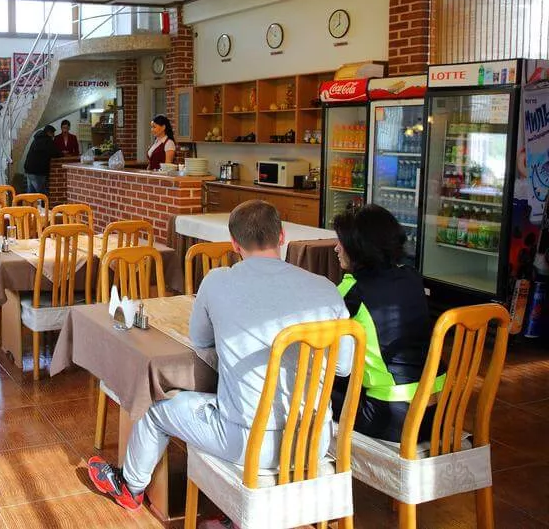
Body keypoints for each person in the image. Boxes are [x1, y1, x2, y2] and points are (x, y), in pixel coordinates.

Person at [87, 200, 353, 511]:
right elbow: (343, 366)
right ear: (281, 236)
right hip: (314, 441)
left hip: (248, 443)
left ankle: (130, 487)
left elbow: (201, 340)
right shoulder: (325, 288)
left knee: (157, 408)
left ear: (234, 244)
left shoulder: (218, 281)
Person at [332, 204, 436, 442]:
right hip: (436, 411)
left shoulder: (352, 290)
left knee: (312, 386)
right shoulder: (412, 277)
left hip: (392, 416)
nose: (336, 248)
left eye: (341, 242)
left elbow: (328, 351)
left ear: (359, 247)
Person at [23, 125, 61, 194]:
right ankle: (43, 201)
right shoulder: (47, 140)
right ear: (49, 133)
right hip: (38, 171)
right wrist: (63, 154)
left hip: (29, 169)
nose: (53, 136)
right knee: (41, 193)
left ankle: (30, 201)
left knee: (31, 193)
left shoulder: (36, 139)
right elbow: (56, 153)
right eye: (53, 134)